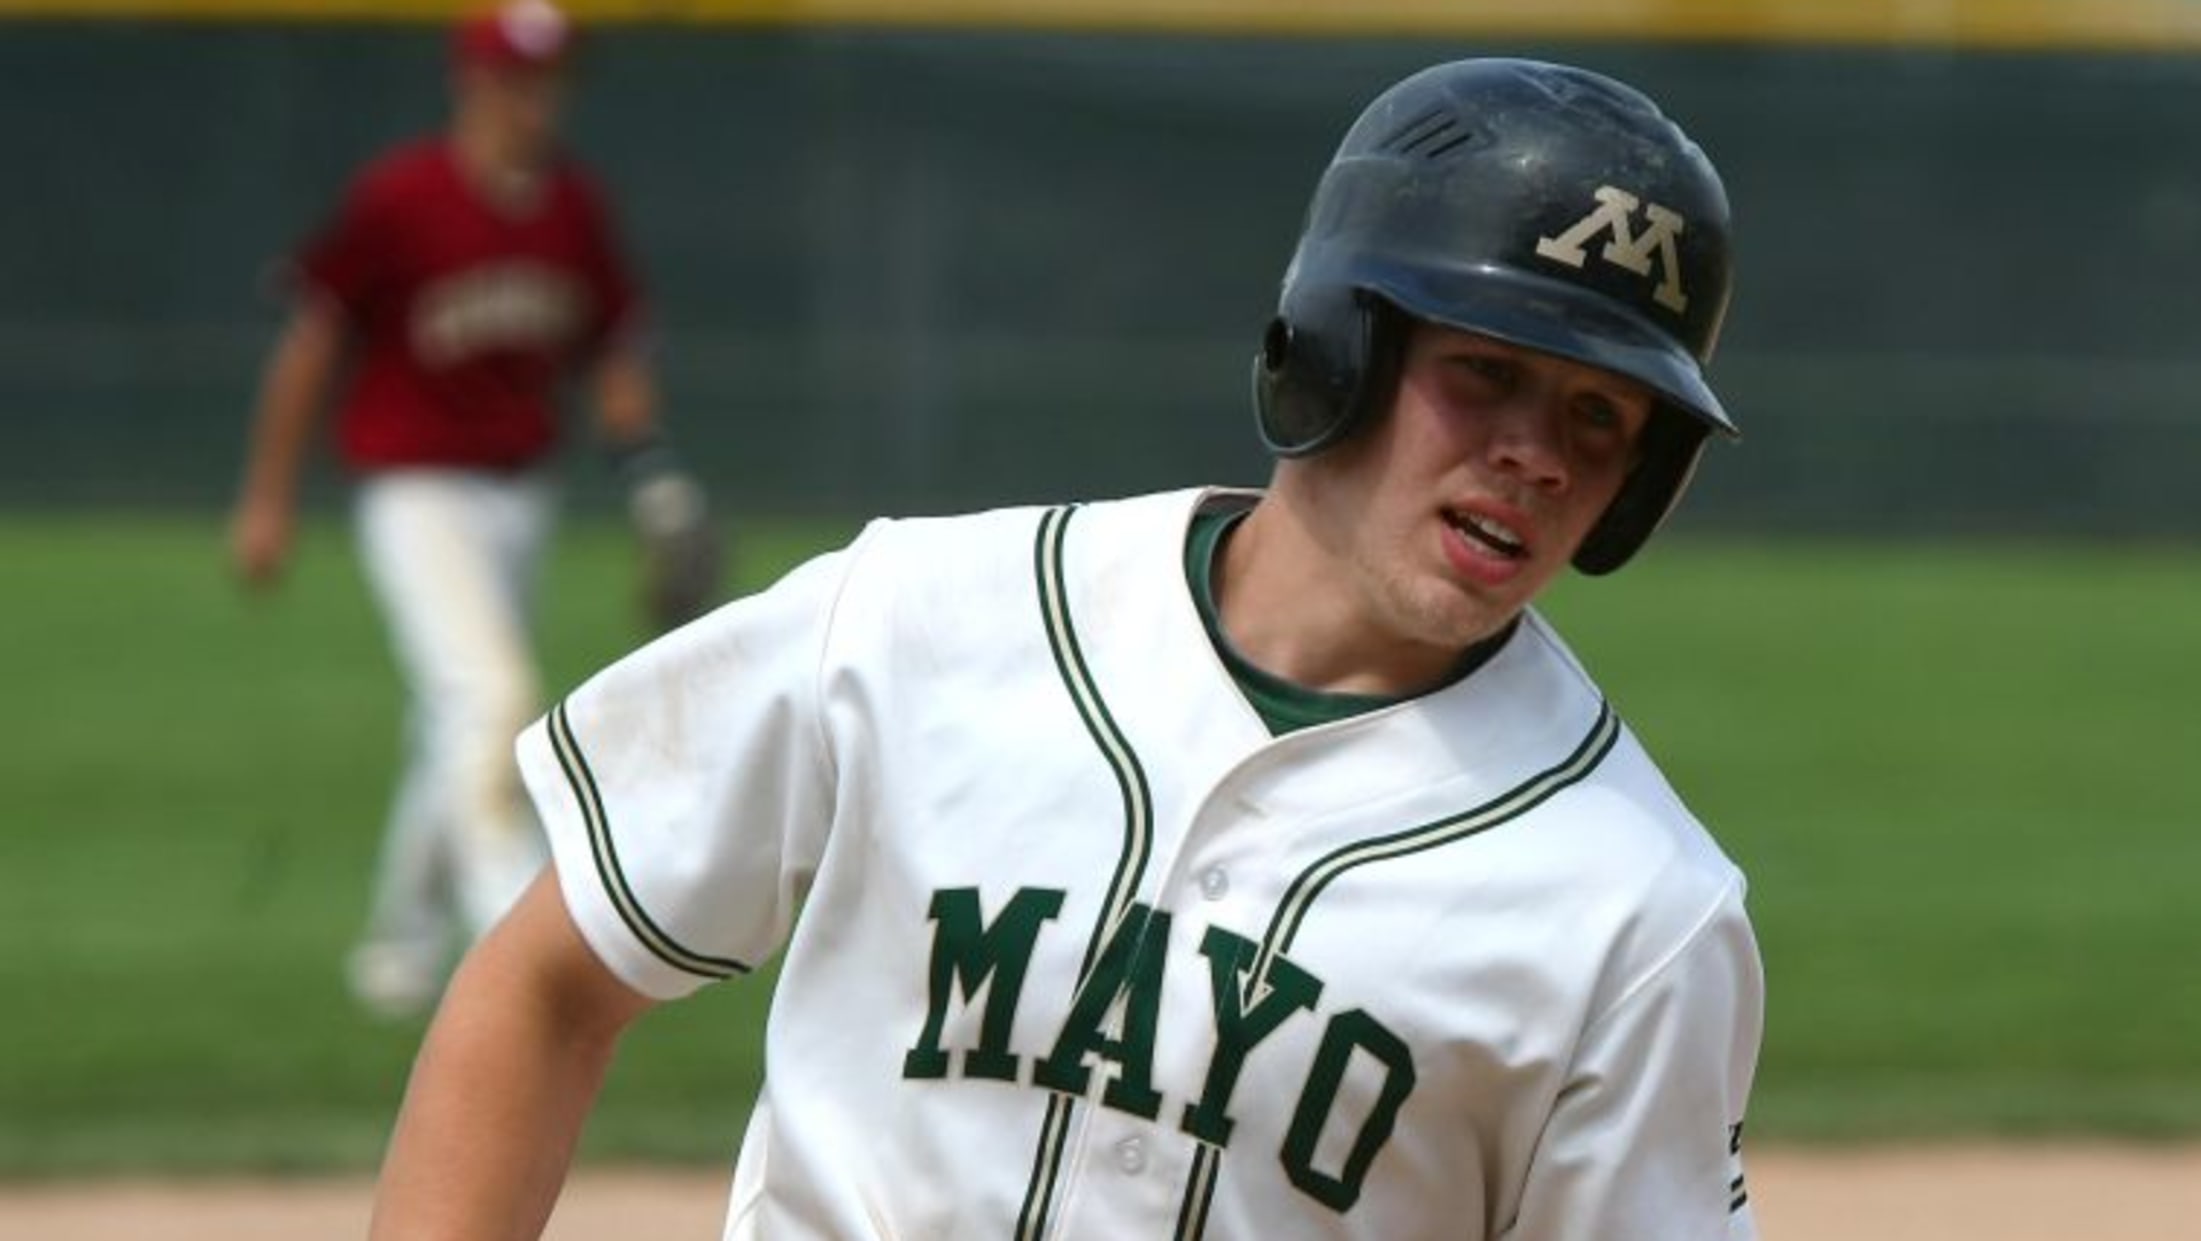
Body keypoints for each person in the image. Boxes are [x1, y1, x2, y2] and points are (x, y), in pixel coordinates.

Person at [371, 57, 1763, 1239]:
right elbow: (547, 989)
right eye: (1490, 371)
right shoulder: (923, 616)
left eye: (1599, 417)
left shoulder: (1638, 908)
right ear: (1342, 343)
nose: (1535, 454)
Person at [229, 0, 716, 1020]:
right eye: (516, 76)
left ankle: (399, 945)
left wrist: (655, 477)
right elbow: (313, 341)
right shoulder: (402, 198)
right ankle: (521, 935)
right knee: (493, 694)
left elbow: (613, 354)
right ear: (472, 80)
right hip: (414, 487)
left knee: (455, 715)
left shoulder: (574, 209)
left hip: (519, 492)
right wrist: (268, 498)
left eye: (551, 77)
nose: (536, 98)